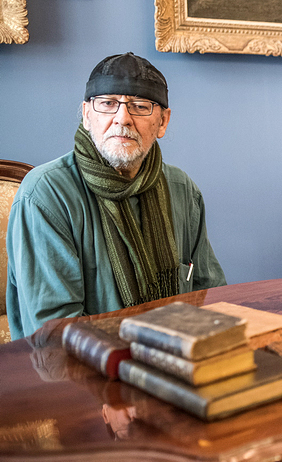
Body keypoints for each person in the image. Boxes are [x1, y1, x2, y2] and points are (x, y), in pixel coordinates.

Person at [7, 52, 227, 340]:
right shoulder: (47, 194)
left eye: (140, 106)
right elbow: (54, 332)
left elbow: (209, 295)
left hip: (179, 355)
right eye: (108, 103)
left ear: (163, 122)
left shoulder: (182, 189)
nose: (122, 118)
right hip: (84, 364)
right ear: (87, 115)